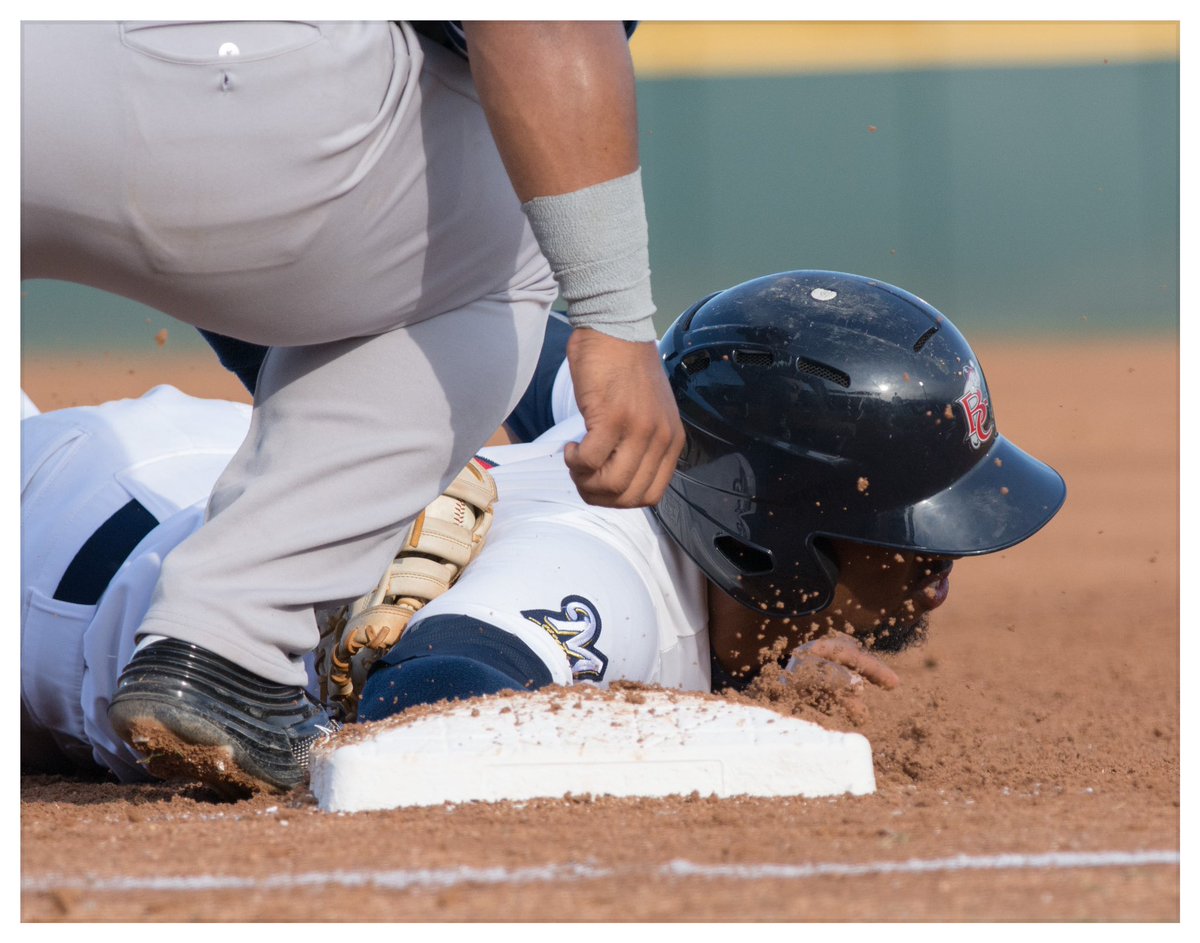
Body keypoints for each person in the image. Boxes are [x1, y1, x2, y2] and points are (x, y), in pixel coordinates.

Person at [20, 271, 1066, 795]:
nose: (938, 571)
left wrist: (762, 667)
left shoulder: (639, 433)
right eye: (913, 536)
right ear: (777, 528)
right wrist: (751, 726)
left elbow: (343, 313)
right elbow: (423, 709)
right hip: (43, 557)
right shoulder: (600, 583)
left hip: (151, 478)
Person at [21, 22, 684, 791]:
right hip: (239, 92)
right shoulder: (609, 569)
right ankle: (231, 643)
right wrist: (616, 318)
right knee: (525, 213)